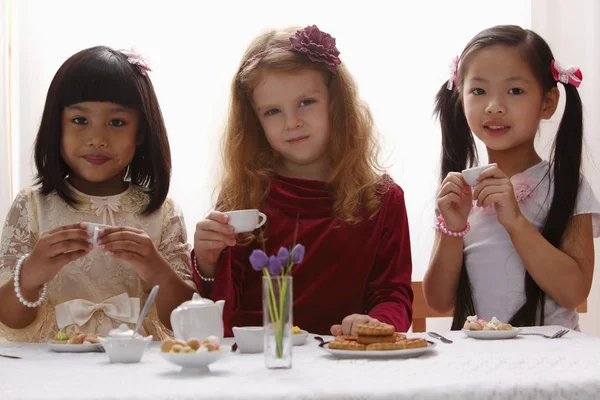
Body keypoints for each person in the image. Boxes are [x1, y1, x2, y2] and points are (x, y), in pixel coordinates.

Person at [192, 25, 413, 336]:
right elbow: (222, 305)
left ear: (337, 103)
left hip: (343, 363)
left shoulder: (382, 200)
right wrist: (207, 261)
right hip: (257, 366)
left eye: (306, 102)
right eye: (272, 111)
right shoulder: (244, 196)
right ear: (254, 121)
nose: (292, 123)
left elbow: (392, 296)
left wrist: (377, 322)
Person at [0, 46, 195, 342]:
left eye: (117, 123)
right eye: (80, 120)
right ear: (57, 126)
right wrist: (31, 273)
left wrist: (157, 270)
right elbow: (10, 320)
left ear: (141, 132)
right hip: (51, 367)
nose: (97, 139)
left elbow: (186, 319)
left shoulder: (163, 213)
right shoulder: (32, 207)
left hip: (138, 363)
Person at [424, 25, 600, 330]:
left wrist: (516, 222)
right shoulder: (461, 191)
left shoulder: (567, 186)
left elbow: (573, 293)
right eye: (478, 91)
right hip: (478, 363)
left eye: (515, 90)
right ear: (461, 99)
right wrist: (452, 227)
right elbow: (439, 301)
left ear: (548, 103)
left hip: (550, 364)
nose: (494, 106)